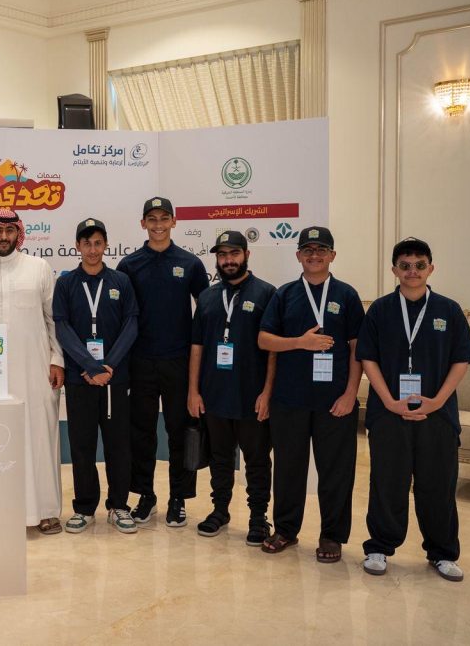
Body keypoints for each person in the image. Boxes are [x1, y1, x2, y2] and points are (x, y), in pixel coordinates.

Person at [357, 237, 470, 581]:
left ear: (430, 269)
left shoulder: (449, 310)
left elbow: (461, 360)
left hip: (437, 415)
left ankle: (442, 553)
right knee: (386, 483)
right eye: (405, 266)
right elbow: (368, 358)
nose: (412, 271)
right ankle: (379, 547)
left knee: (438, 485)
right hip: (388, 413)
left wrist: (437, 401)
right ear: (394, 270)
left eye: (419, 265)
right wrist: (388, 401)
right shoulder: (380, 310)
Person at [258, 226, 364, 562]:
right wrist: (300, 343)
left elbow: (357, 349)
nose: (314, 255)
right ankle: (286, 530)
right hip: (290, 400)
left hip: (335, 402)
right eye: (308, 250)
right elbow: (264, 340)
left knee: (336, 471)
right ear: (298, 255)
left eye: (321, 250)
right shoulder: (285, 294)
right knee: (288, 469)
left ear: (332, 255)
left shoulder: (346, 295)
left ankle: (332, 536)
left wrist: (351, 394)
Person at [0, 208, 65, 534]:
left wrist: (57, 359)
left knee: (39, 437)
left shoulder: (38, 268)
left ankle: (45, 510)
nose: (3, 237)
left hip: (35, 369)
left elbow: (53, 319)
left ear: (19, 233)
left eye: (9, 230)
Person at [117, 196, 209, 527]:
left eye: (164, 218)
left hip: (178, 362)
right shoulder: (129, 265)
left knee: (180, 432)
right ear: (143, 223)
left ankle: (178, 498)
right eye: (152, 219)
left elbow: (206, 309)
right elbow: (121, 315)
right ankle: (146, 495)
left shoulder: (190, 263)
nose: (158, 225)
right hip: (140, 362)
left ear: (174, 221)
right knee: (141, 432)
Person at [187, 231, 276, 544]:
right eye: (222, 255)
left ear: (246, 255)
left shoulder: (266, 293)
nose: (228, 260)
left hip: (251, 396)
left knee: (257, 460)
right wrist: (193, 391)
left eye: (234, 254)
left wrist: (267, 392)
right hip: (214, 395)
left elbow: (273, 350)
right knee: (220, 458)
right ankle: (220, 510)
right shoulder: (207, 297)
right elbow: (197, 347)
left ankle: (258, 518)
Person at [53, 219, 138, 534]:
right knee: (82, 446)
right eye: (86, 243)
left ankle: (119, 506)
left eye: (98, 243)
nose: (92, 249)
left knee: (119, 445)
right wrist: (90, 366)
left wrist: (108, 365)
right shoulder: (66, 284)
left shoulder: (120, 281)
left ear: (106, 245)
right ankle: (85, 508)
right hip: (80, 379)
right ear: (77, 246)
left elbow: (131, 325)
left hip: (115, 379)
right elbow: (62, 328)